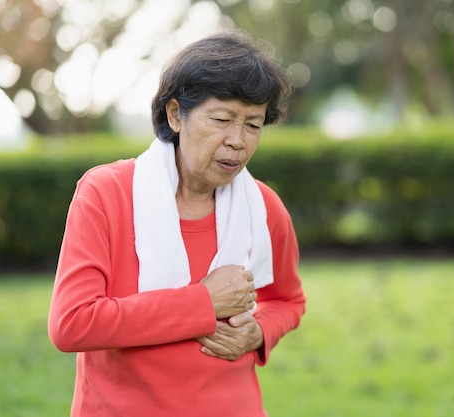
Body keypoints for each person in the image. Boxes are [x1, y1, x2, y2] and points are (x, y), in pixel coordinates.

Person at [48, 30, 306, 417]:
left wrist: (259, 332)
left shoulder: (263, 206)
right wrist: (203, 301)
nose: (237, 140)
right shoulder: (106, 193)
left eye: (253, 125)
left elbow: (288, 300)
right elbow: (72, 324)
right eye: (221, 119)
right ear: (175, 116)